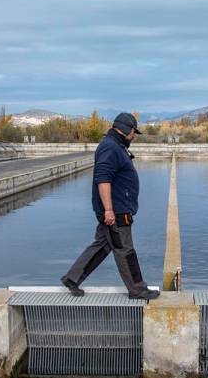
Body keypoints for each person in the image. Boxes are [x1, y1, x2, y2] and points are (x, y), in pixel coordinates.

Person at [61, 112, 160, 300]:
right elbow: (103, 179)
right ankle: (137, 289)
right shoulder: (110, 147)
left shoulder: (115, 146)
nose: (134, 136)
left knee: (102, 246)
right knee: (125, 250)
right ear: (126, 130)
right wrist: (108, 210)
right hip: (116, 211)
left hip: (115, 209)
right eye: (133, 132)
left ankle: (72, 279)